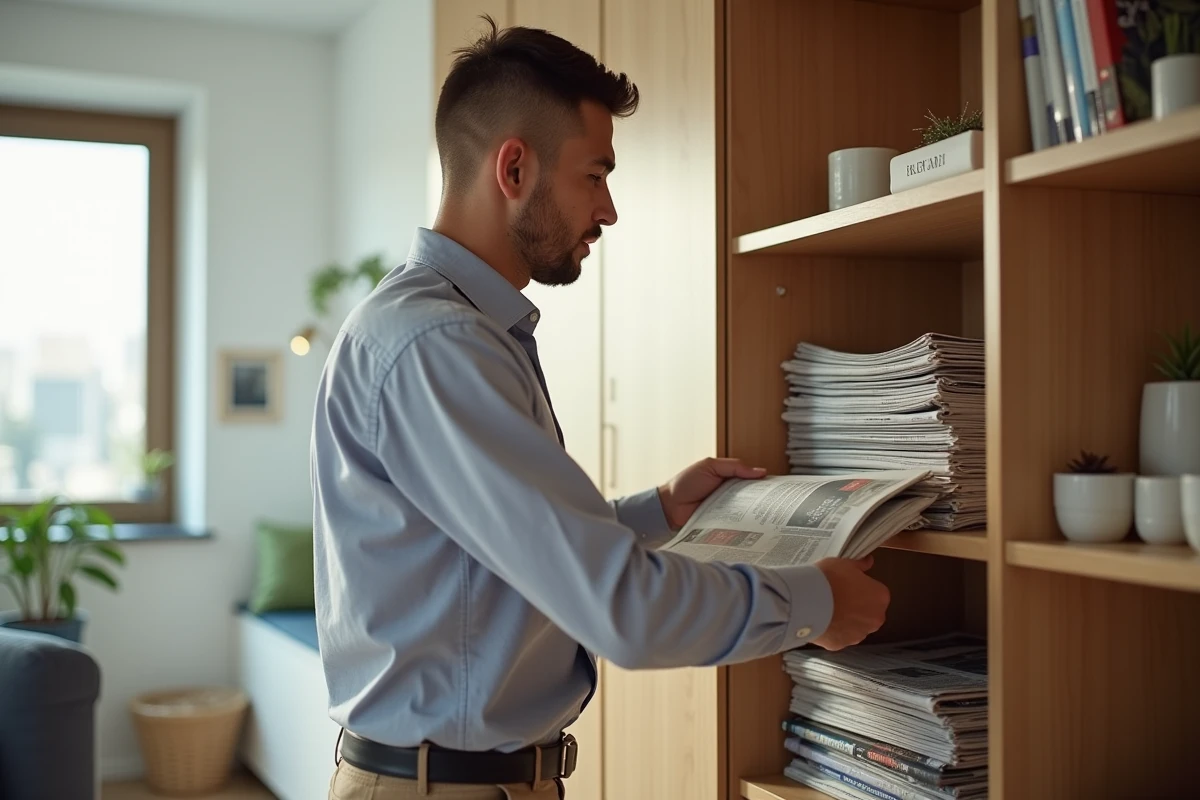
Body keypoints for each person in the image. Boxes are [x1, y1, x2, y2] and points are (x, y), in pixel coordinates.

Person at [311, 16, 890, 800]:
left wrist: (658, 510)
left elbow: (495, 562)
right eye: (595, 174)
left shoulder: (450, 329)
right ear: (514, 168)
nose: (609, 209)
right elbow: (624, 611)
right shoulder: (438, 346)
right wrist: (819, 602)